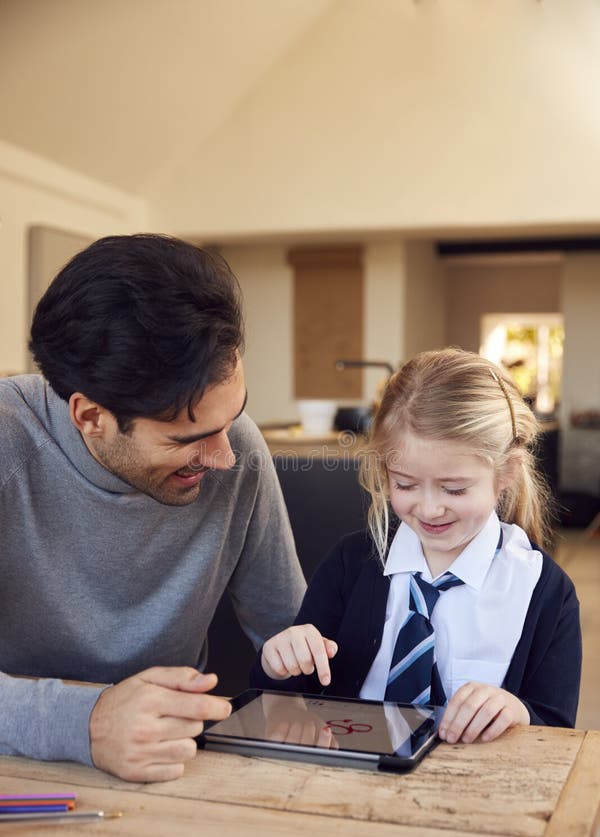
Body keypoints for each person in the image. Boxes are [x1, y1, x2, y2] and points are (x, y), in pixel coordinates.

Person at [0, 234, 305, 781]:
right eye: (188, 438)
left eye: (233, 417)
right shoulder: (7, 444)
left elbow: (294, 634)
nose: (225, 457)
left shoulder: (239, 451)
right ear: (90, 416)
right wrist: (89, 722)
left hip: (173, 768)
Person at [252, 347, 582, 742]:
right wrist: (278, 663)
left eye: (454, 489)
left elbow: (558, 733)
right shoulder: (350, 563)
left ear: (506, 472)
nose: (429, 508)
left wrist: (518, 713)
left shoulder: (546, 592)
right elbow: (287, 698)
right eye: (405, 484)